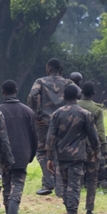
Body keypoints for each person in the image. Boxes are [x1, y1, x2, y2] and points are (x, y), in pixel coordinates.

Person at [46, 85, 100, 214]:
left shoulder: (57, 114)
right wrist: (96, 151)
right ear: (78, 96)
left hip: (61, 155)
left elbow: (50, 137)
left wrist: (49, 157)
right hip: (77, 156)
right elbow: (93, 136)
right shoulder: (85, 114)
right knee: (74, 186)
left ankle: (70, 213)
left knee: (64, 186)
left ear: (64, 97)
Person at [28, 58, 76, 196]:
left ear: (49, 68)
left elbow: (32, 95)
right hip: (64, 122)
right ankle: (62, 187)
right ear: (61, 69)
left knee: (42, 152)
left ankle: (48, 183)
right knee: (62, 152)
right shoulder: (68, 82)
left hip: (44, 123)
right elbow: (78, 92)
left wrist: (36, 114)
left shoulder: (40, 81)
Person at [0, 80, 38, 214]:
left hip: (4, 155)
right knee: (17, 185)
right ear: (16, 91)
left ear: (3, 92)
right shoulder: (27, 111)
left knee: (6, 185)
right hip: (22, 154)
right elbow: (34, 136)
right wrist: (32, 154)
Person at [77, 82, 107, 214]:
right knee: (92, 180)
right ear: (93, 94)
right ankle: (89, 211)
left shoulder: (74, 106)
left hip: (75, 149)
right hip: (92, 149)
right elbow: (101, 133)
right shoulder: (97, 110)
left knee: (75, 179)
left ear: (81, 93)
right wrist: (104, 150)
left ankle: (72, 209)